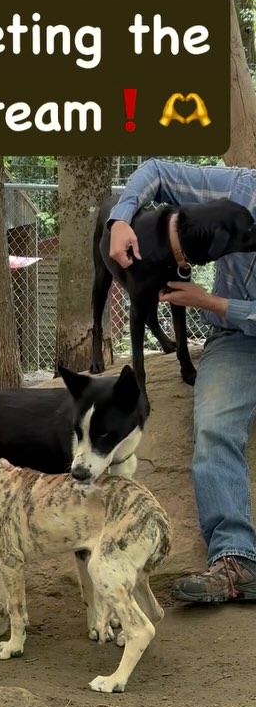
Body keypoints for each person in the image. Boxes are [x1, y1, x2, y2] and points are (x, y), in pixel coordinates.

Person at [108, 159, 256, 605]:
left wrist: (211, 302)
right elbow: (155, 171)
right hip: (237, 342)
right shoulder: (239, 188)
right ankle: (236, 560)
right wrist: (120, 219)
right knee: (213, 428)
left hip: (229, 314)